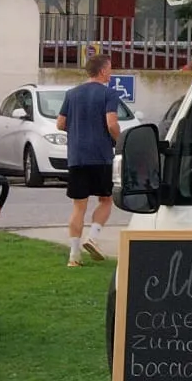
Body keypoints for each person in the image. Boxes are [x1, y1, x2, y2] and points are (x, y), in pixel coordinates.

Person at [58, 53, 122, 267]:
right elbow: (111, 123)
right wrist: (120, 140)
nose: (111, 73)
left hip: (77, 156)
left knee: (79, 206)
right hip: (101, 155)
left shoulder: (72, 94)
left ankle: (74, 256)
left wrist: (78, 129)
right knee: (106, 199)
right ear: (102, 71)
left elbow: (60, 123)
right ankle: (92, 237)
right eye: (110, 69)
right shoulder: (109, 94)